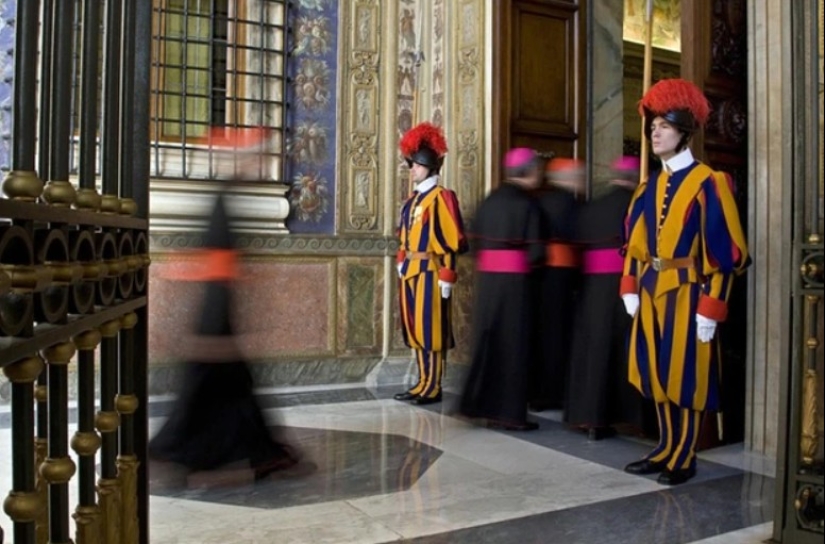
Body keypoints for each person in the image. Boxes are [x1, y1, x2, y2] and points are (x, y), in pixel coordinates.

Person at [149, 127, 299, 481]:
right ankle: (183, 450)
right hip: (216, 312)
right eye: (251, 157)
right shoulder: (222, 197)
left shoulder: (224, 195)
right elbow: (218, 265)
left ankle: (256, 452)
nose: (254, 164)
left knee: (227, 386)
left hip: (218, 309)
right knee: (214, 386)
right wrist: (215, 330)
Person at [620, 79, 750, 485]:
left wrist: (712, 307)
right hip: (651, 290)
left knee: (686, 374)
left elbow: (725, 252)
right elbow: (633, 245)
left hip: (688, 292)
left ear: (683, 131)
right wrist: (629, 285)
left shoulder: (709, 182)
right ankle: (664, 445)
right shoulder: (648, 185)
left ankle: (684, 452)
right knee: (656, 371)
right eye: (652, 125)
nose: (654, 132)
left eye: (663, 125)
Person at [564, 156, 653, 440]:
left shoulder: (591, 206)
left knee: (594, 354)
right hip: (628, 287)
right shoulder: (639, 204)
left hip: (592, 290)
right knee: (626, 351)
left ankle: (591, 419)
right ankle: (633, 419)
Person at [458, 148, 546, 430]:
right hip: (515, 286)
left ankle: (477, 406)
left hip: (488, 283)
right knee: (513, 347)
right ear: (531, 172)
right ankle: (510, 415)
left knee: (487, 342)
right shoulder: (529, 204)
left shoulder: (488, 201)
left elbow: (472, 244)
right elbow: (536, 252)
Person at [394, 122, 467, 405]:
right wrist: (402, 260)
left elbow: (451, 241)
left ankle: (433, 386)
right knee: (414, 328)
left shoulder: (442, 197)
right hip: (411, 271)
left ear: (429, 166)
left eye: (415, 165)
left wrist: (447, 276)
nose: (411, 169)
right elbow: (403, 238)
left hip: (431, 272)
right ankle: (421, 381)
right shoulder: (412, 201)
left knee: (431, 329)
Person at [529, 157, 582, 411]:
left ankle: (538, 394)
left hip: (539, 276)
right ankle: (557, 393)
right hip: (563, 277)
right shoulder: (571, 203)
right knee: (559, 338)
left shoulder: (539, 201)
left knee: (540, 335)